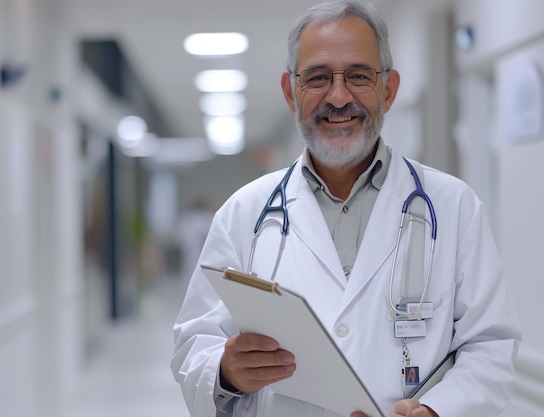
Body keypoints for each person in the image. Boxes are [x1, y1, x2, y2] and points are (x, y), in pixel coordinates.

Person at [171, 1, 521, 416]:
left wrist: (437, 410)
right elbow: (194, 345)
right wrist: (226, 370)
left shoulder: (454, 206)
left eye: (358, 76)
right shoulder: (243, 214)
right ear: (290, 92)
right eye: (318, 77)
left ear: (388, 90)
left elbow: (490, 345)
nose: (338, 97)